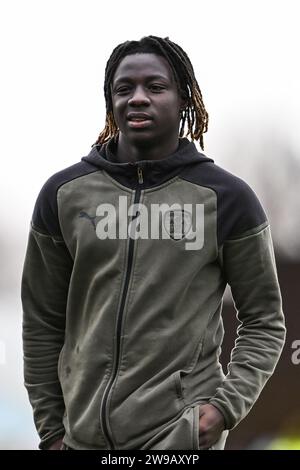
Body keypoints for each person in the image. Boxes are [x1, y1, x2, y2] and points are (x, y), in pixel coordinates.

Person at [21, 35, 286, 451]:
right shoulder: (64, 194)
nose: (138, 98)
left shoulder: (227, 199)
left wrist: (223, 409)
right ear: (110, 102)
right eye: (124, 89)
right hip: (81, 439)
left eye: (155, 87)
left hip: (179, 440)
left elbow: (265, 320)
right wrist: (52, 431)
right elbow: (41, 322)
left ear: (183, 99)